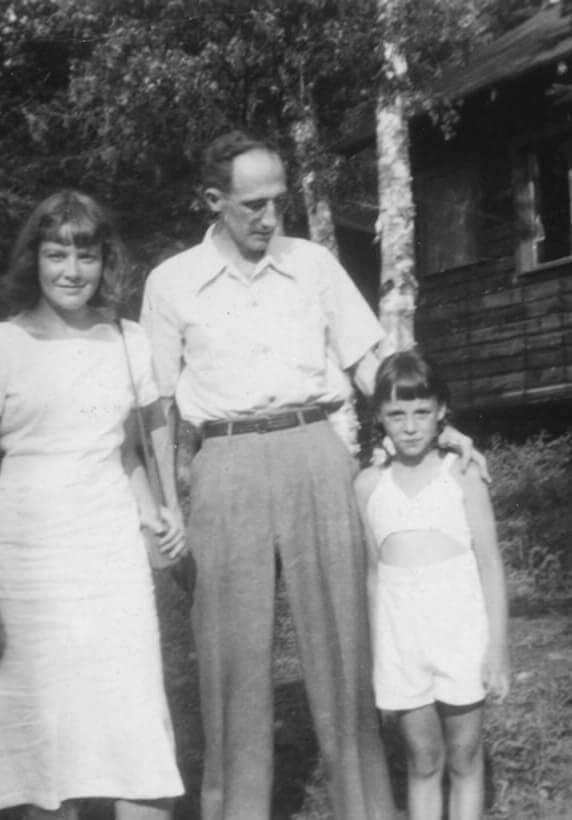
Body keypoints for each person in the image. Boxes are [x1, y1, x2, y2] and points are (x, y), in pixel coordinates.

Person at [141, 130, 485, 820]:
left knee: (343, 650)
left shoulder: (314, 264)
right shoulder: (171, 282)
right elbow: (156, 404)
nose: (269, 217)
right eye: (251, 205)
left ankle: (368, 810)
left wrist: (438, 427)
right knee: (229, 661)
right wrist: (163, 501)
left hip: (314, 453)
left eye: (278, 201)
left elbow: (372, 364)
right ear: (213, 200)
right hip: (226, 465)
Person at [0, 190, 186, 820]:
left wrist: (155, 513)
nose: (72, 271)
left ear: (105, 261)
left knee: (134, 745)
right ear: (35, 260)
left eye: (86, 255)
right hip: (25, 566)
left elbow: (127, 453)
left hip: (108, 562)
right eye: (57, 254)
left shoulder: (128, 340)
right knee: (41, 764)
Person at [354, 351, 510, 820]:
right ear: (379, 416)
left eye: (422, 412)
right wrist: (378, 653)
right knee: (423, 759)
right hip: (403, 643)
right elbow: (373, 575)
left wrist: (497, 648)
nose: (409, 426)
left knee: (464, 755)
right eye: (396, 414)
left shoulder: (462, 476)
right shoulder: (367, 486)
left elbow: (490, 565)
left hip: (460, 636)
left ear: (442, 411)